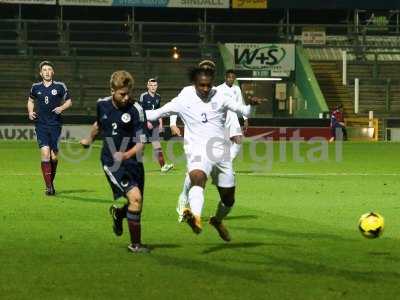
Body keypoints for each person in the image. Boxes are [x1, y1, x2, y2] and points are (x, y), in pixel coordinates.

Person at [146, 67, 261, 242]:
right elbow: (155, 113)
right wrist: (129, 109)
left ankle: (217, 220)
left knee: (228, 199)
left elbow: (243, 111)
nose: (206, 88)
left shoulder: (221, 96)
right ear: (195, 83)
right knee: (198, 178)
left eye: (208, 85)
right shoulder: (185, 97)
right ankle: (196, 218)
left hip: (221, 154)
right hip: (197, 151)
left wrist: (251, 105)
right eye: (202, 85)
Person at [97, 70, 149, 253]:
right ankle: (135, 245)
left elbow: (142, 143)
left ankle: (119, 214)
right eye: (122, 94)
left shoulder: (137, 110)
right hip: (112, 161)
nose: (126, 97)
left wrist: (126, 155)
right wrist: (88, 138)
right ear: (112, 90)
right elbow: (99, 124)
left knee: (136, 204)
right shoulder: (102, 105)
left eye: (129, 93)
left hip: (133, 161)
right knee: (136, 198)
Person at [27, 60, 72, 196]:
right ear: (41, 73)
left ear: (53, 72)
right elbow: (30, 100)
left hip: (55, 125)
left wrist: (61, 107)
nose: (47, 72)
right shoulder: (35, 87)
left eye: (49, 69)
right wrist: (30, 112)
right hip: (41, 124)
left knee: (54, 157)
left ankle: (50, 183)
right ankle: (49, 187)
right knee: (45, 152)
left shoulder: (60, 86)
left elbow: (69, 101)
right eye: (44, 70)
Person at [139, 78, 174, 172]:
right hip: (144, 126)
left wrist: (161, 124)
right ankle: (135, 166)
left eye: (154, 85)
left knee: (157, 145)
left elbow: (159, 112)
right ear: (147, 86)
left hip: (154, 125)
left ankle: (163, 166)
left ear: (157, 86)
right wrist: (147, 122)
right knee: (141, 146)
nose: (153, 87)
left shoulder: (158, 97)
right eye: (151, 85)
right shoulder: (143, 96)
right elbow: (141, 111)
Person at [217, 69, 248, 160]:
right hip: (223, 118)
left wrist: (245, 118)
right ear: (225, 78)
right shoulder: (219, 89)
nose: (231, 79)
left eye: (233, 78)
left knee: (238, 140)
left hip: (234, 118)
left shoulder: (237, 89)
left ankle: (228, 163)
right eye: (229, 77)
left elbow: (241, 104)